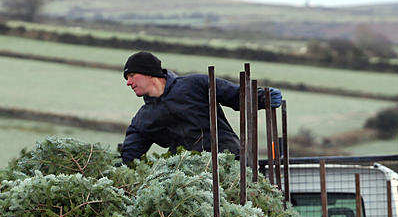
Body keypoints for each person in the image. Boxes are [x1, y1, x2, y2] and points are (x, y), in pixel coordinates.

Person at [120, 51, 282, 164]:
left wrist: (262, 97)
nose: (128, 83)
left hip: (230, 161)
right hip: (191, 177)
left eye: (132, 76)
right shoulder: (143, 119)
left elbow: (235, 95)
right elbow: (130, 156)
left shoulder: (195, 85)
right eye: (127, 78)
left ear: (150, 73)